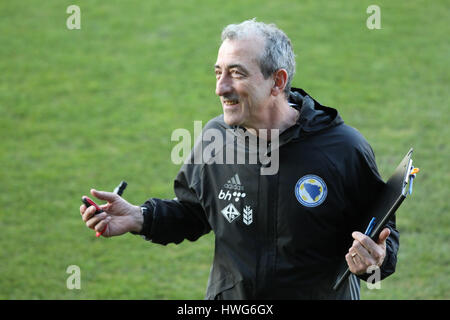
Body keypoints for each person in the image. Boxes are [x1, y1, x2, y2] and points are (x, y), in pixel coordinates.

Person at [80, 19, 399, 300]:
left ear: (277, 81)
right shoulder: (214, 139)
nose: (221, 88)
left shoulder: (343, 149)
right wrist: (140, 217)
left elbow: (382, 234)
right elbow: (194, 213)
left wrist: (377, 261)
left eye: (236, 74)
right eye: (218, 73)